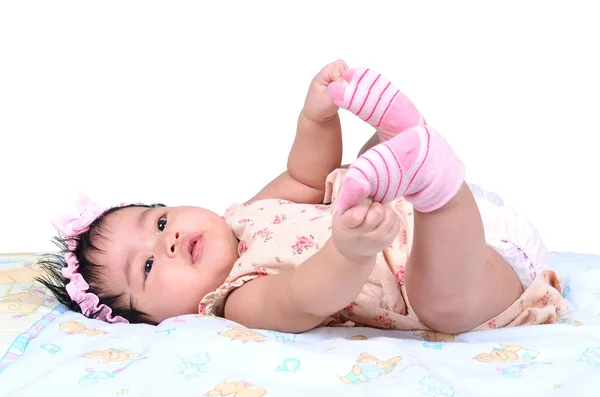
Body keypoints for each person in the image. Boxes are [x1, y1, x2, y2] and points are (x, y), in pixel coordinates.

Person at [37, 60, 566, 334]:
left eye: (157, 223)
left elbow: (305, 178)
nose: (169, 242)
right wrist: (350, 252)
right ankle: (435, 184)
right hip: (475, 269)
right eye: (148, 269)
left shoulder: (244, 214)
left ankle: (407, 145)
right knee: (440, 307)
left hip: (432, 222)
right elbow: (306, 297)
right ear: (162, 321)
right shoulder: (236, 301)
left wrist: (316, 117)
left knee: (353, 173)